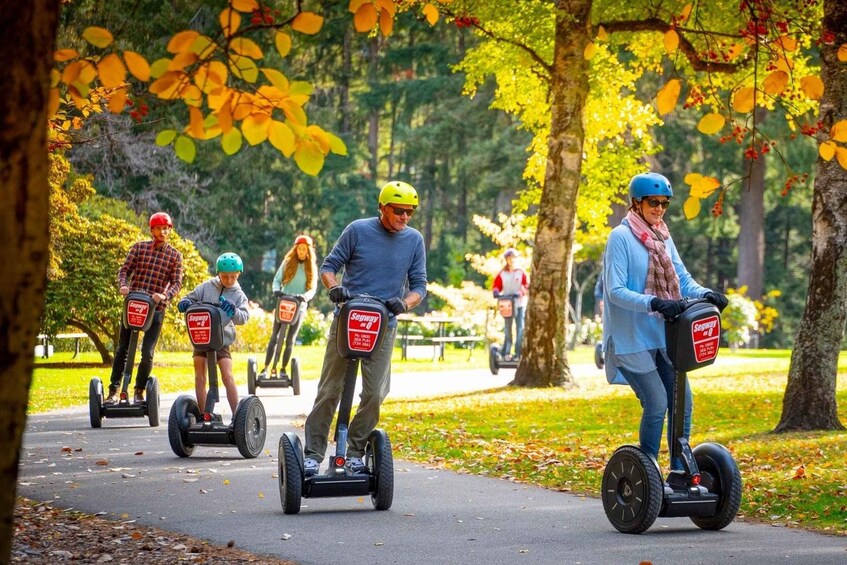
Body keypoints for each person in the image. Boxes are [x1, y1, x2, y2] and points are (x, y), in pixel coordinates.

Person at [601, 172, 728, 479]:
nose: (659, 209)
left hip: (662, 336)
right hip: (630, 339)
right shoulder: (620, 238)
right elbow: (614, 290)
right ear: (637, 203)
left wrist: (705, 293)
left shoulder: (662, 236)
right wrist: (654, 302)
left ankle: (680, 471)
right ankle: (646, 474)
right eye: (653, 202)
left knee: (683, 401)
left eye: (664, 204)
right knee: (657, 403)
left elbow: (682, 278)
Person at [303, 180, 427, 476]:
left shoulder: (414, 240)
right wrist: (335, 288)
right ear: (383, 208)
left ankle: (356, 451)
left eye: (410, 212)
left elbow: (420, 286)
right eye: (399, 210)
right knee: (329, 390)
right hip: (349, 318)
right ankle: (312, 454)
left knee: (374, 393)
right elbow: (329, 268)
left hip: (384, 323)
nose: (405, 217)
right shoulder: (357, 230)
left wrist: (404, 303)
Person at [106, 212, 184, 404]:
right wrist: (123, 285)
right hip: (133, 306)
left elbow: (176, 283)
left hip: (155, 309)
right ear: (152, 230)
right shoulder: (139, 248)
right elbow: (124, 270)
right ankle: (114, 391)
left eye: (166, 228)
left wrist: (165, 295)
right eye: (159, 228)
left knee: (147, 352)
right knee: (122, 348)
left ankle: (139, 390)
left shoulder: (175, 256)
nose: (163, 231)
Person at [177, 253, 250, 416]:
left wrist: (234, 311)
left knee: (227, 375)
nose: (229, 280)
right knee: (200, 374)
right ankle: (204, 414)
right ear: (218, 273)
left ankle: (237, 416)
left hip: (222, 341)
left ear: (239, 274)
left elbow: (244, 317)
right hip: (202, 338)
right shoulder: (206, 287)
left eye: (233, 277)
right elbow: (189, 298)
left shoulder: (238, 295)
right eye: (225, 277)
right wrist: (185, 302)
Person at [261, 235, 318, 377]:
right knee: (275, 336)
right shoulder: (287, 262)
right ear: (296, 249)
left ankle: (283, 369)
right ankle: (266, 367)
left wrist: (305, 297)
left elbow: (312, 289)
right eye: (299, 248)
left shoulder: (311, 268)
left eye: (304, 249)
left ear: (308, 251)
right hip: (284, 302)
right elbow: (276, 280)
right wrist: (276, 290)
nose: (302, 251)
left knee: (291, 338)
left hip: (299, 305)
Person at [491, 248, 529, 360]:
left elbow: (526, 285)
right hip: (507, 304)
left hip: (519, 303)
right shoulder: (503, 273)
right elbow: (497, 285)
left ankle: (518, 353)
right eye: (509, 258)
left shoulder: (520, 272)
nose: (511, 260)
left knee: (520, 328)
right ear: (506, 259)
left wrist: (521, 292)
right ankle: (506, 353)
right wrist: (496, 291)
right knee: (507, 329)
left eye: (513, 258)